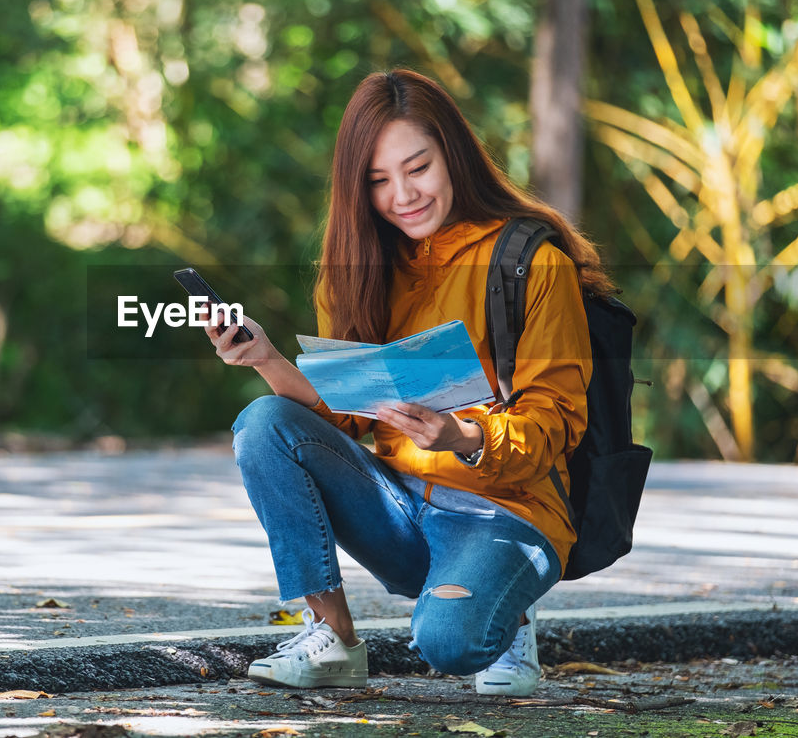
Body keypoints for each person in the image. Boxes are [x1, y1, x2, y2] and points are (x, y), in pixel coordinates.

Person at [203, 69, 613, 695]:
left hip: (505, 511)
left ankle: (507, 607)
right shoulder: (361, 269)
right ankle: (333, 636)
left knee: (452, 645)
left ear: (453, 155)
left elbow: (556, 424)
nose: (403, 195)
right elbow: (345, 418)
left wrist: (462, 433)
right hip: (400, 507)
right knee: (263, 423)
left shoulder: (531, 263)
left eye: (417, 167)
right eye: (378, 181)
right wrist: (266, 359)